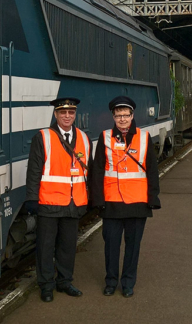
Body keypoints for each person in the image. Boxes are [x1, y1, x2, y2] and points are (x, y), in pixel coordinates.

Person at [90, 96, 160, 298]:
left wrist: (153, 198)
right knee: (111, 246)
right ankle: (111, 282)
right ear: (113, 116)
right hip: (112, 203)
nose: (122, 119)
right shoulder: (104, 138)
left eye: (126, 115)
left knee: (133, 247)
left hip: (138, 203)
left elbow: (152, 171)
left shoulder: (144, 138)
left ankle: (128, 283)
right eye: (118, 115)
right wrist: (98, 201)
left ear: (132, 116)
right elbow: (97, 172)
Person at [25, 97, 90, 303]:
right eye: (63, 112)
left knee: (68, 246)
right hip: (49, 203)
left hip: (74, 203)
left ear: (75, 114)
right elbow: (34, 170)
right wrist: (32, 199)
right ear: (56, 114)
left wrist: (90, 198)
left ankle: (64, 281)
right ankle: (46, 285)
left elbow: (89, 171)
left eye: (71, 112)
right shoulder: (43, 137)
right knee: (45, 246)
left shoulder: (83, 137)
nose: (67, 116)